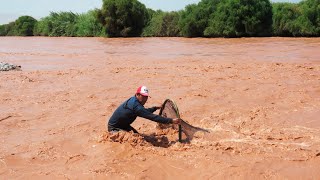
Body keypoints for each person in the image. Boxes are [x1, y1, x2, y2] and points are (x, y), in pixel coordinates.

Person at [107, 85, 181, 133]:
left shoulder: (135, 101)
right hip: (114, 128)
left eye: (146, 97)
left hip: (124, 126)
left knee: (138, 137)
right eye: (143, 96)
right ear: (137, 95)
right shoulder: (136, 106)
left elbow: (145, 112)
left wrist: (155, 108)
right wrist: (171, 121)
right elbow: (152, 117)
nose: (145, 99)